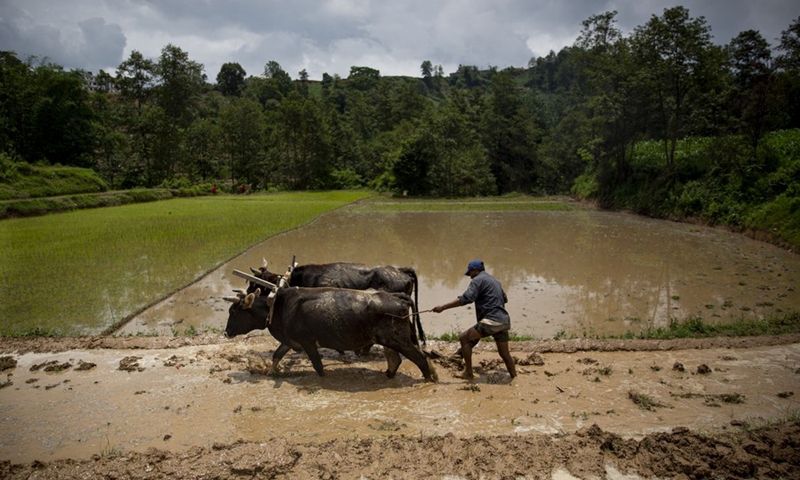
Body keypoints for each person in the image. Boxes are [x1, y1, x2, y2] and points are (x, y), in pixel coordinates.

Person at [432, 260, 517, 380]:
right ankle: (514, 376)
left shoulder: (477, 280)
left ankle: (468, 373)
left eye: (470, 273)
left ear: (475, 270)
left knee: (464, 337)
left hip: (491, 321)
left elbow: (467, 298)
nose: (470, 277)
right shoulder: (496, 281)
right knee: (504, 354)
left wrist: (443, 307)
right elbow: (505, 299)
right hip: (503, 321)